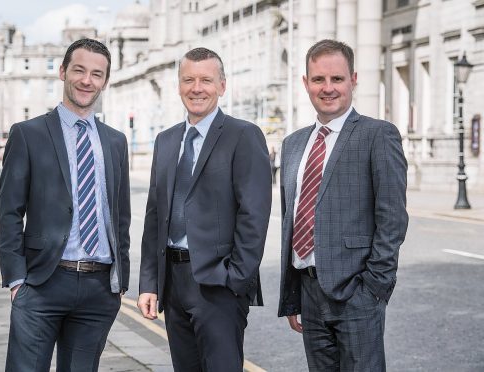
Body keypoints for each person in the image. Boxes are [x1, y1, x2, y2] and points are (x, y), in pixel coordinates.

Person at [0, 38, 131, 372]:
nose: (87, 80)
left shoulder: (115, 141)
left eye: (97, 74)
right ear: (62, 72)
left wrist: (119, 282)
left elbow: (121, 216)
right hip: (43, 283)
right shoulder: (28, 134)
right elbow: (9, 212)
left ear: (105, 81)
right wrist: (17, 280)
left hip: (99, 289)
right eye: (79, 70)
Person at [278, 39, 408, 371]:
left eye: (337, 79)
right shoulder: (293, 145)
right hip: (308, 292)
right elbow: (292, 222)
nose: (328, 88)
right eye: (319, 79)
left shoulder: (378, 135)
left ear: (353, 79)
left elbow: (391, 218)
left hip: (356, 294)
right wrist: (293, 295)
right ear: (306, 83)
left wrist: (373, 289)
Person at [138, 47, 272, 372]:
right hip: (173, 283)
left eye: (206, 80)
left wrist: (237, 279)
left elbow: (253, 215)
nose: (197, 88)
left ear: (222, 86)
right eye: (189, 80)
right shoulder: (166, 140)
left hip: (219, 285)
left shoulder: (244, 135)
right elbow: (155, 215)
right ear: (179, 86)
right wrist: (149, 283)